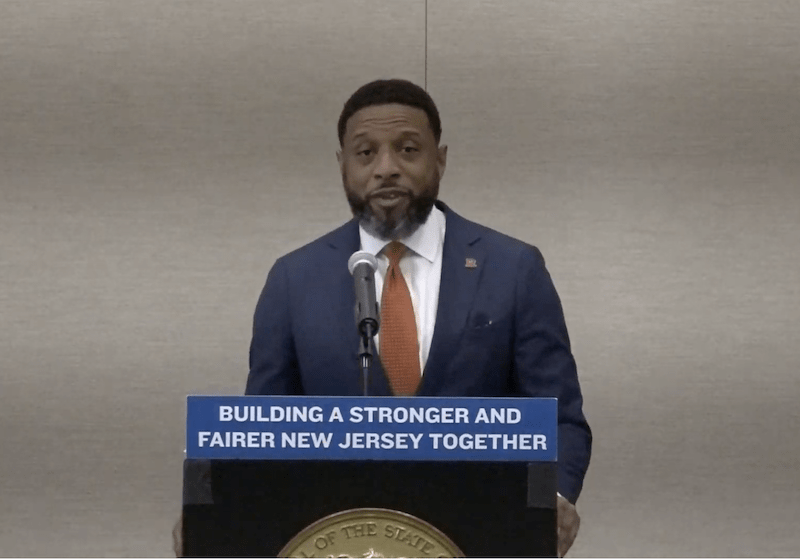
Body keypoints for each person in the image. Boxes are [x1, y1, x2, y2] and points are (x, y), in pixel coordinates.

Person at [245, 78, 591, 557]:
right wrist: (224, 506)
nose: (387, 168)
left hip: (484, 535)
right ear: (342, 164)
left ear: (440, 159)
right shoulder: (293, 279)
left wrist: (554, 500)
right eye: (366, 153)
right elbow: (262, 432)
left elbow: (560, 418)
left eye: (408, 149)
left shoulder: (513, 268)